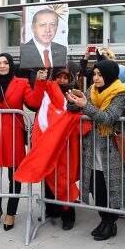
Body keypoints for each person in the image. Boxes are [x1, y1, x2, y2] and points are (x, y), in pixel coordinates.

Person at [66, 60, 125, 240]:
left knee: (111, 187)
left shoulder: (120, 93)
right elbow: (80, 108)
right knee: (97, 186)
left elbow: (108, 118)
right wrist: (72, 101)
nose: (96, 78)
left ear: (110, 75)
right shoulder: (92, 91)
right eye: (94, 74)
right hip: (92, 146)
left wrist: (84, 105)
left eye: (100, 75)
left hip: (112, 148)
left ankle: (110, 223)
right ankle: (104, 220)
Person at [0, 53, 46, 230]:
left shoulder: (22, 83)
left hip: (13, 135)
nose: (2, 66)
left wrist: (40, 82)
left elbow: (34, 102)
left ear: (11, 65)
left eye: (5, 63)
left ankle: (11, 213)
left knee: (14, 176)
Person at [43, 67, 80, 230]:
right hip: (50, 141)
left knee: (65, 178)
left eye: (66, 77)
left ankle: (68, 215)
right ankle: (51, 209)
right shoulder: (47, 94)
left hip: (67, 144)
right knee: (49, 173)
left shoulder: (75, 94)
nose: (63, 80)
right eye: (59, 77)